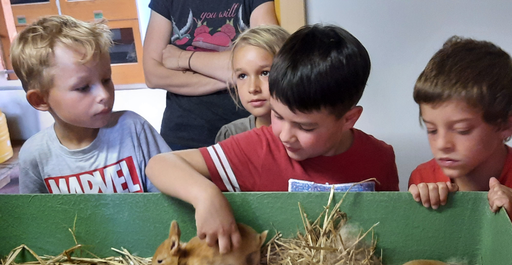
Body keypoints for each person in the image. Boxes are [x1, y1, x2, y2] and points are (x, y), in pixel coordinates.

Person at [146, 24, 399, 253]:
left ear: (348, 119)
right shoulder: (258, 146)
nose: (285, 135)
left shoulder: (380, 157)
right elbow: (159, 164)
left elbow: (391, 230)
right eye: (278, 115)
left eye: (305, 127)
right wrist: (205, 196)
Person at [10, 15, 170, 194]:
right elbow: (35, 216)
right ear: (40, 100)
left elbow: (170, 191)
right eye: (83, 87)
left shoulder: (134, 128)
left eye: (106, 79)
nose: (104, 95)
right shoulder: (34, 155)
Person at [143, 0, 278, 149]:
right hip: (183, 133)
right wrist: (237, 76)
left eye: (242, 76)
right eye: (242, 76)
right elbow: (153, 75)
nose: (246, 80)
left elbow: (271, 55)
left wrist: (183, 58)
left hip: (246, 127)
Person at [408, 36, 512, 215]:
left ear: (505, 125)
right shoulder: (423, 179)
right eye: (432, 130)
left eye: (462, 130)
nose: (442, 144)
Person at [215, 25, 290, 142]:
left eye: (265, 73)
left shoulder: (308, 132)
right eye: (242, 76)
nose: (252, 88)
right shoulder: (231, 135)